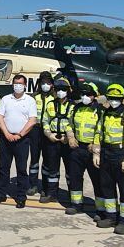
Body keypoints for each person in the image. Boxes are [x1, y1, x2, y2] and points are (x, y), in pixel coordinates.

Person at [96, 83, 124, 234]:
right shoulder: (105, 113)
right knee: (107, 186)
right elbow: (98, 133)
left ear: (121, 98)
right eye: (111, 98)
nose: (113, 100)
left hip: (121, 154)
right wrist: (96, 152)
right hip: (106, 152)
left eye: (116, 98)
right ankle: (111, 217)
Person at [0, 74, 38, 208]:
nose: (18, 86)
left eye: (20, 83)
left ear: (25, 85)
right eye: (16, 83)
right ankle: (0, 194)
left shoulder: (30, 100)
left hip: (22, 140)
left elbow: (32, 120)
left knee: (21, 169)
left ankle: (20, 197)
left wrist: (19, 135)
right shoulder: (6, 99)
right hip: (6, 139)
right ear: (12, 84)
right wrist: (6, 133)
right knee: (3, 168)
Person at [66, 82, 102, 214]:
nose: (85, 96)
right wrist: (70, 137)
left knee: (97, 180)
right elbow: (69, 124)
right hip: (77, 148)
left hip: (92, 150)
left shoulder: (100, 110)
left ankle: (100, 209)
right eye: (83, 94)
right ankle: (76, 204)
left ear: (94, 96)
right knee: (75, 177)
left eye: (88, 94)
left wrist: (96, 145)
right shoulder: (76, 108)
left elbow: (101, 131)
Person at [39, 76, 74, 204]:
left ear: (68, 90)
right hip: (52, 140)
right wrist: (48, 134)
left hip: (67, 141)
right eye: (58, 89)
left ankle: (73, 195)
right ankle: (52, 193)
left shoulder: (72, 106)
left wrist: (69, 137)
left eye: (63, 89)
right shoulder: (50, 104)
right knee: (52, 169)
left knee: (71, 170)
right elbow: (45, 121)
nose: (60, 92)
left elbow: (74, 123)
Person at [28, 71, 54, 197]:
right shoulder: (33, 97)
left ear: (52, 84)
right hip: (35, 130)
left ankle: (45, 187)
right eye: (43, 83)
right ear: (39, 83)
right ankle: (32, 185)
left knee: (47, 160)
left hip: (48, 132)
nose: (45, 85)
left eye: (48, 83)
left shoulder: (54, 98)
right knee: (34, 159)